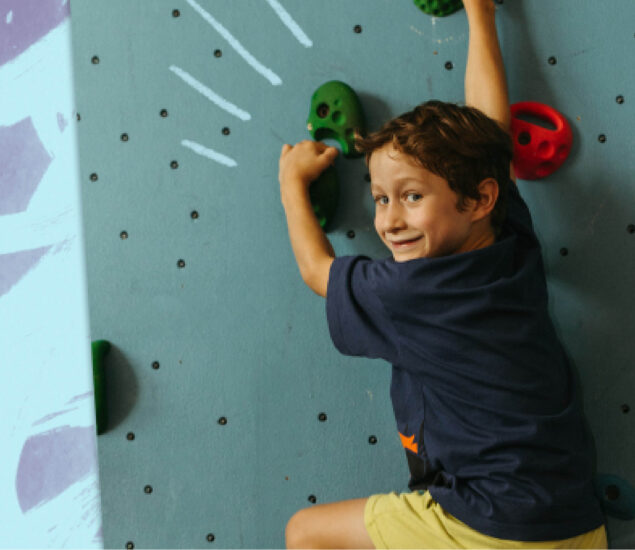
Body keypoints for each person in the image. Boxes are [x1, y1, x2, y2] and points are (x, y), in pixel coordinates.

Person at [278, 0, 607, 548]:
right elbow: (491, 132)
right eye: (380, 199)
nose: (389, 221)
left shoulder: (410, 291)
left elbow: (319, 272)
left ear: (478, 199)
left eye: (411, 197)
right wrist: (482, 17)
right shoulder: (508, 244)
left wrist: (291, 184)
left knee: (306, 533)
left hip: (491, 525)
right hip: (573, 522)